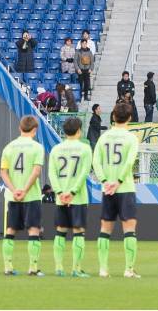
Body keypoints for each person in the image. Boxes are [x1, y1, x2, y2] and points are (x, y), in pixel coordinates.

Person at [92, 103, 140, 278]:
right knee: (129, 230)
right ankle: (128, 269)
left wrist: (105, 181)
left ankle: (103, 269)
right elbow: (129, 163)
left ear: (113, 117)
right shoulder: (131, 138)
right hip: (125, 188)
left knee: (105, 230)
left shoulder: (104, 137)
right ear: (129, 118)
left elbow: (95, 161)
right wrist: (118, 181)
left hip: (108, 189)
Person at [0, 115, 44, 276]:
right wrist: (25, 190)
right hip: (30, 196)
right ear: (35, 130)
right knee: (33, 230)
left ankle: (8, 267)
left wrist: (14, 189)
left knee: (10, 230)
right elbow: (36, 171)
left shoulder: (9, 147)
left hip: (13, 196)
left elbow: (3, 172)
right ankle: (33, 267)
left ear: (20, 128)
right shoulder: (37, 147)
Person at [48, 117, 92, 278]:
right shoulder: (85, 149)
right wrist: (72, 192)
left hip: (61, 198)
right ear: (79, 130)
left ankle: (59, 267)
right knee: (78, 232)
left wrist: (60, 192)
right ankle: (76, 268)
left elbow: (52, 174)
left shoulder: (56, 149)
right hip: (78, 198)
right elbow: (84, 173)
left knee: (60, 232)